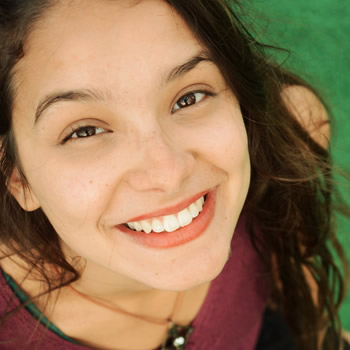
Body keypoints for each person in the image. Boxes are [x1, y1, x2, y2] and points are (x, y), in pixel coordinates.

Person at [0, 0, 349, 349]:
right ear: (17, 177)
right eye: (85, 131)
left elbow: (298, 290)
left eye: (190, 98)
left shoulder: (292, 132)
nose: (168, 174)